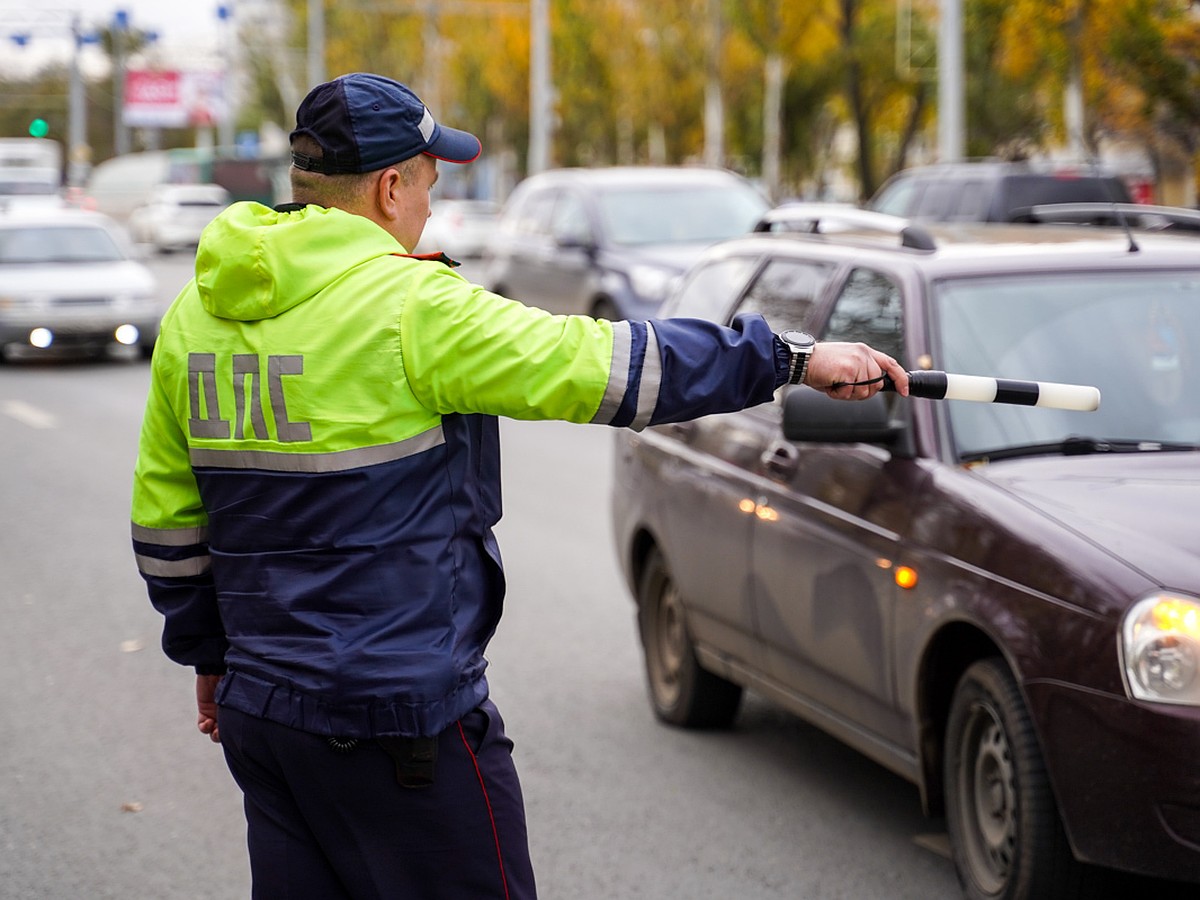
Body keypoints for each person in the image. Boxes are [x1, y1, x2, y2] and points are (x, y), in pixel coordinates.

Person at [130, 72, 908, 900]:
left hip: (264, 718)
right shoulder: (408, 307)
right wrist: (786, 358)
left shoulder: (196, 315)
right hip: (400, 723)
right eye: (430, 182)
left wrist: (211, 655)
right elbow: (608, 367)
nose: (430, 206)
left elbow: (167, 526)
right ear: (391, 186)